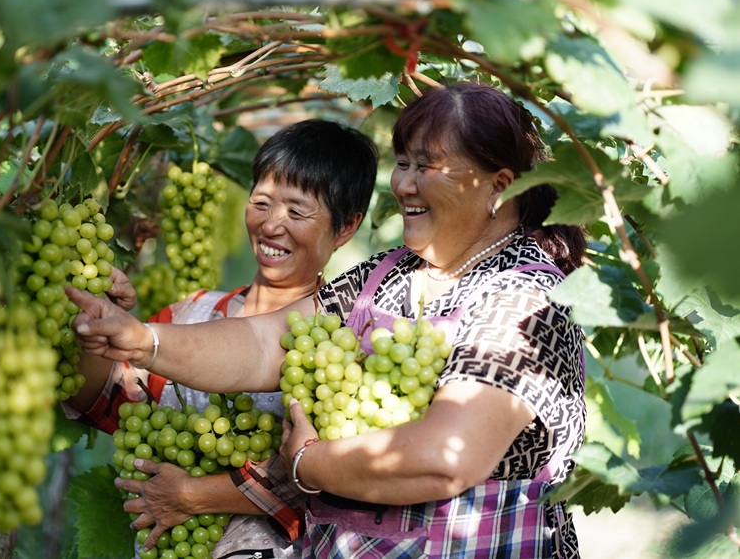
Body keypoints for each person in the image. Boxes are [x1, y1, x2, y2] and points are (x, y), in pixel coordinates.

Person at [68, 82, 588, 558]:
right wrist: (141, 339)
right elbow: (264, 343)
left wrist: (307, 463)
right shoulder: (390, 276)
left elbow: (443, 457)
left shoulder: (524, 301)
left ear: (497, 184)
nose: (403, 183)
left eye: (424, 165)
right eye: (401, 163)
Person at [61, 119, 379, 557]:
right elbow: (103, 404)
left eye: (297, 210)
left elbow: (319, 475)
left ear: (346, 228)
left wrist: (192, 494)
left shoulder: (339, 347)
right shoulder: (190, 313)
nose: (271, 225)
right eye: (262, 202)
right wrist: (94, 319)